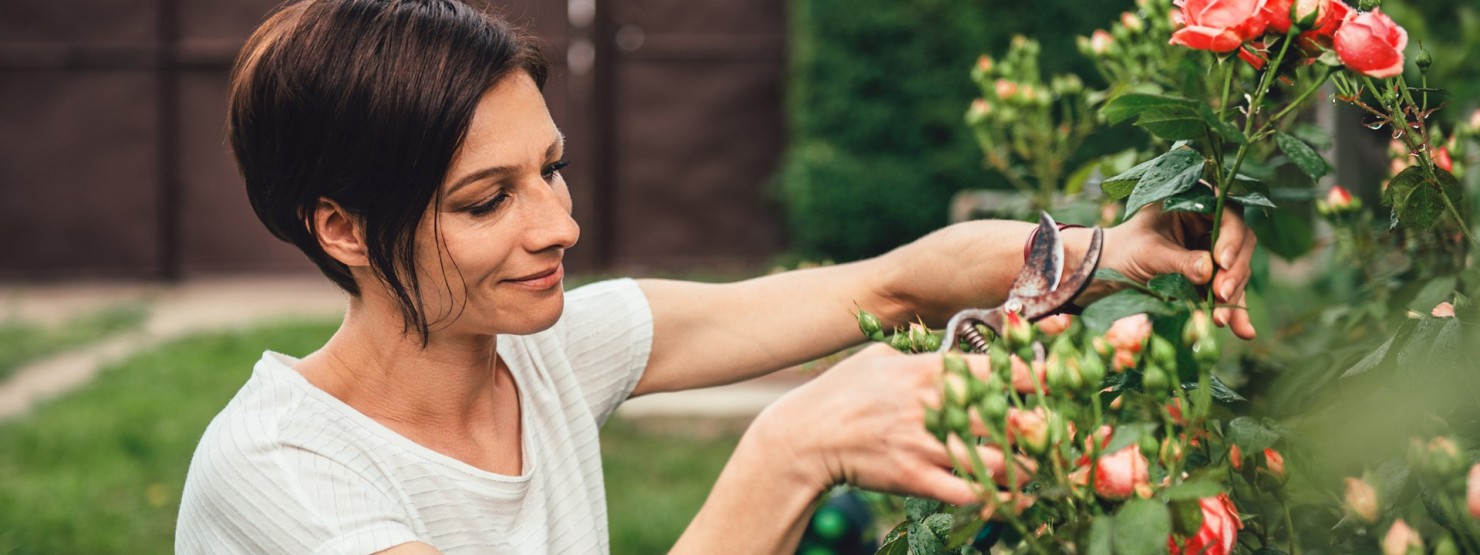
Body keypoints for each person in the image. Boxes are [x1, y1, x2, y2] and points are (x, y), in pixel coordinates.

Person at [174, 0, 1259, 553]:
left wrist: (1102, 249)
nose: (560, 224)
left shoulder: (533, 353)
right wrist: (791, 450)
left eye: (549, 169)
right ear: (343, 230)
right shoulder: (287, 475)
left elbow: (889, 286)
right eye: (485, 201)